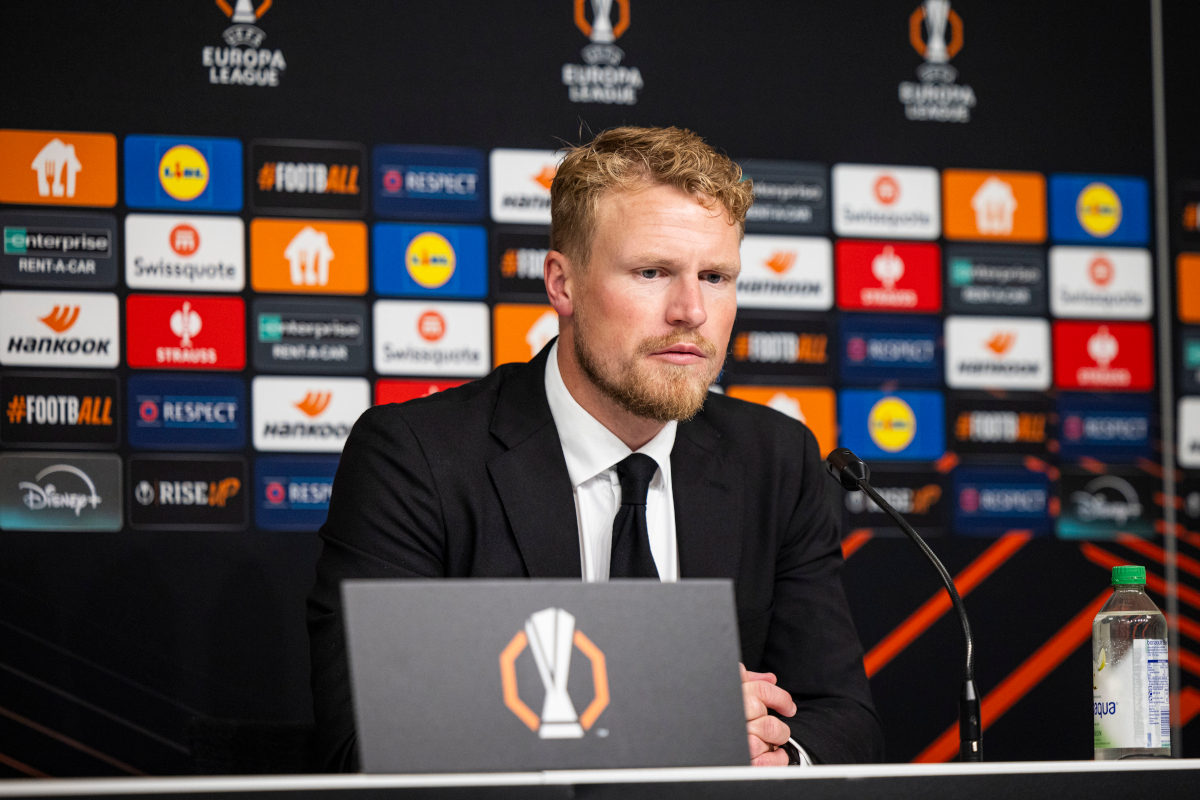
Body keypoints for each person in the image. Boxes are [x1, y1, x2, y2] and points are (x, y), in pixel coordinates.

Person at [307, 126, 884, 771]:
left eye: (716, 276)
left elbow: (842, 721)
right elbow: (366, 743)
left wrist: (778, 758)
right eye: (651, 272)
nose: (691, 310)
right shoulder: (415, 458)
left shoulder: (776, 458)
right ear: (563, 283)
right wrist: (673, 723)